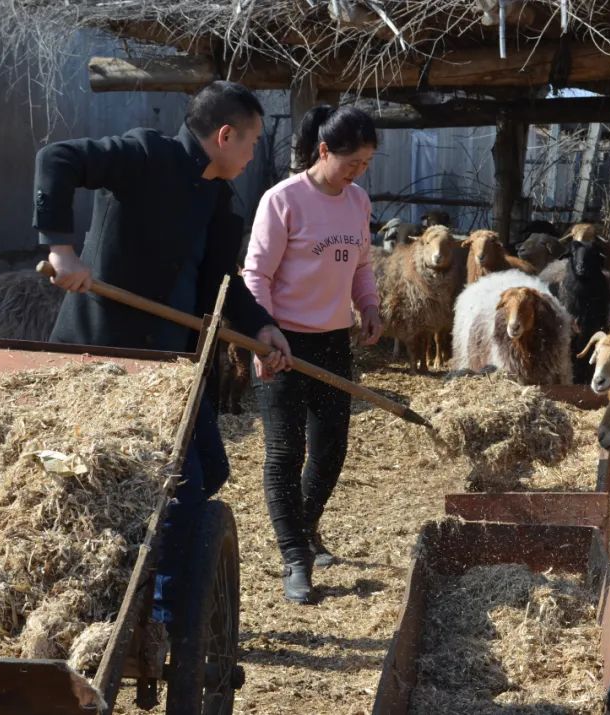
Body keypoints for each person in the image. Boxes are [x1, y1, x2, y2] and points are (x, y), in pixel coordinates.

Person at [32, 80, 293, 626]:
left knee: (211, 470)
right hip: (108, 360)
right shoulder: (146, 155)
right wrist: (61, 249)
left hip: (173, 370)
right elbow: (56, 158)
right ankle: (162, 622)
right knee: (180, 494)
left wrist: (262, 327)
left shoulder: (221, 200)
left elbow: (222, 280)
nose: (252, 156)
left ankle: (136, 566)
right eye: (250, 144)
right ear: (224, 136)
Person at [243, 105, 382, 604]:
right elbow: (255, 275)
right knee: (285, 450)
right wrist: (263, 334)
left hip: (332, 340)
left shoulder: (358, 201)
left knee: (330, 449)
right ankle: (294, 557)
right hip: (281, 340)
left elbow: (362, 264)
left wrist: (368, 304)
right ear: (324, 151)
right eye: (352, 162)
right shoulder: (283, 201)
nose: (358, 172)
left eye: (366, 164)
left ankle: (307, 526)